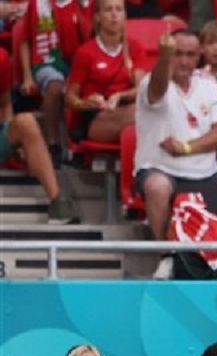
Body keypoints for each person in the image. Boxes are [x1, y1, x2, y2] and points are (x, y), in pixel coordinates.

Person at [133, 27, 217, 279]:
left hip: (206, 172)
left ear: (199, 56)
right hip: (160, 168)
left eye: (190, 55)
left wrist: (187, 147)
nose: (184, 61)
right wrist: (163, 59)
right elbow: (156, 92)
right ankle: (166, 256)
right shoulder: (152, 81)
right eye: (177, 54)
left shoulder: (209, 84)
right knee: (157, 187)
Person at [0, 47, 78, 223]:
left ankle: (57, 202)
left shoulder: (1, 58)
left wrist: (12, 142)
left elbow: (4, 104)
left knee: (26, 121)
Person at [18, 0, 92, 162]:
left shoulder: (82, 4)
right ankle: (53, 144)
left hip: (76, 64)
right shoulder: (36, 5)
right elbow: (24, 41)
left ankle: (77, 146)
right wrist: (27, 76)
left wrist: (82, 10)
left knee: (81, 86)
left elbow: (91, 39)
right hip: (44, 63)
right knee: (55, 85)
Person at [65, 0, 146, 144]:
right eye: (108, 10)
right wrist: (84, 103)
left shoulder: (135, 48)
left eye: (119, 10)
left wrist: (120, 96)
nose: (114, 15)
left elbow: (141, 89)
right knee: (141, 113)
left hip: (125, 107)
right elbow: (70, 97)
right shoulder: (85, 52)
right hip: (96, 116)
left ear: (125, 15)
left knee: (146, 110)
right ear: (97, 17)